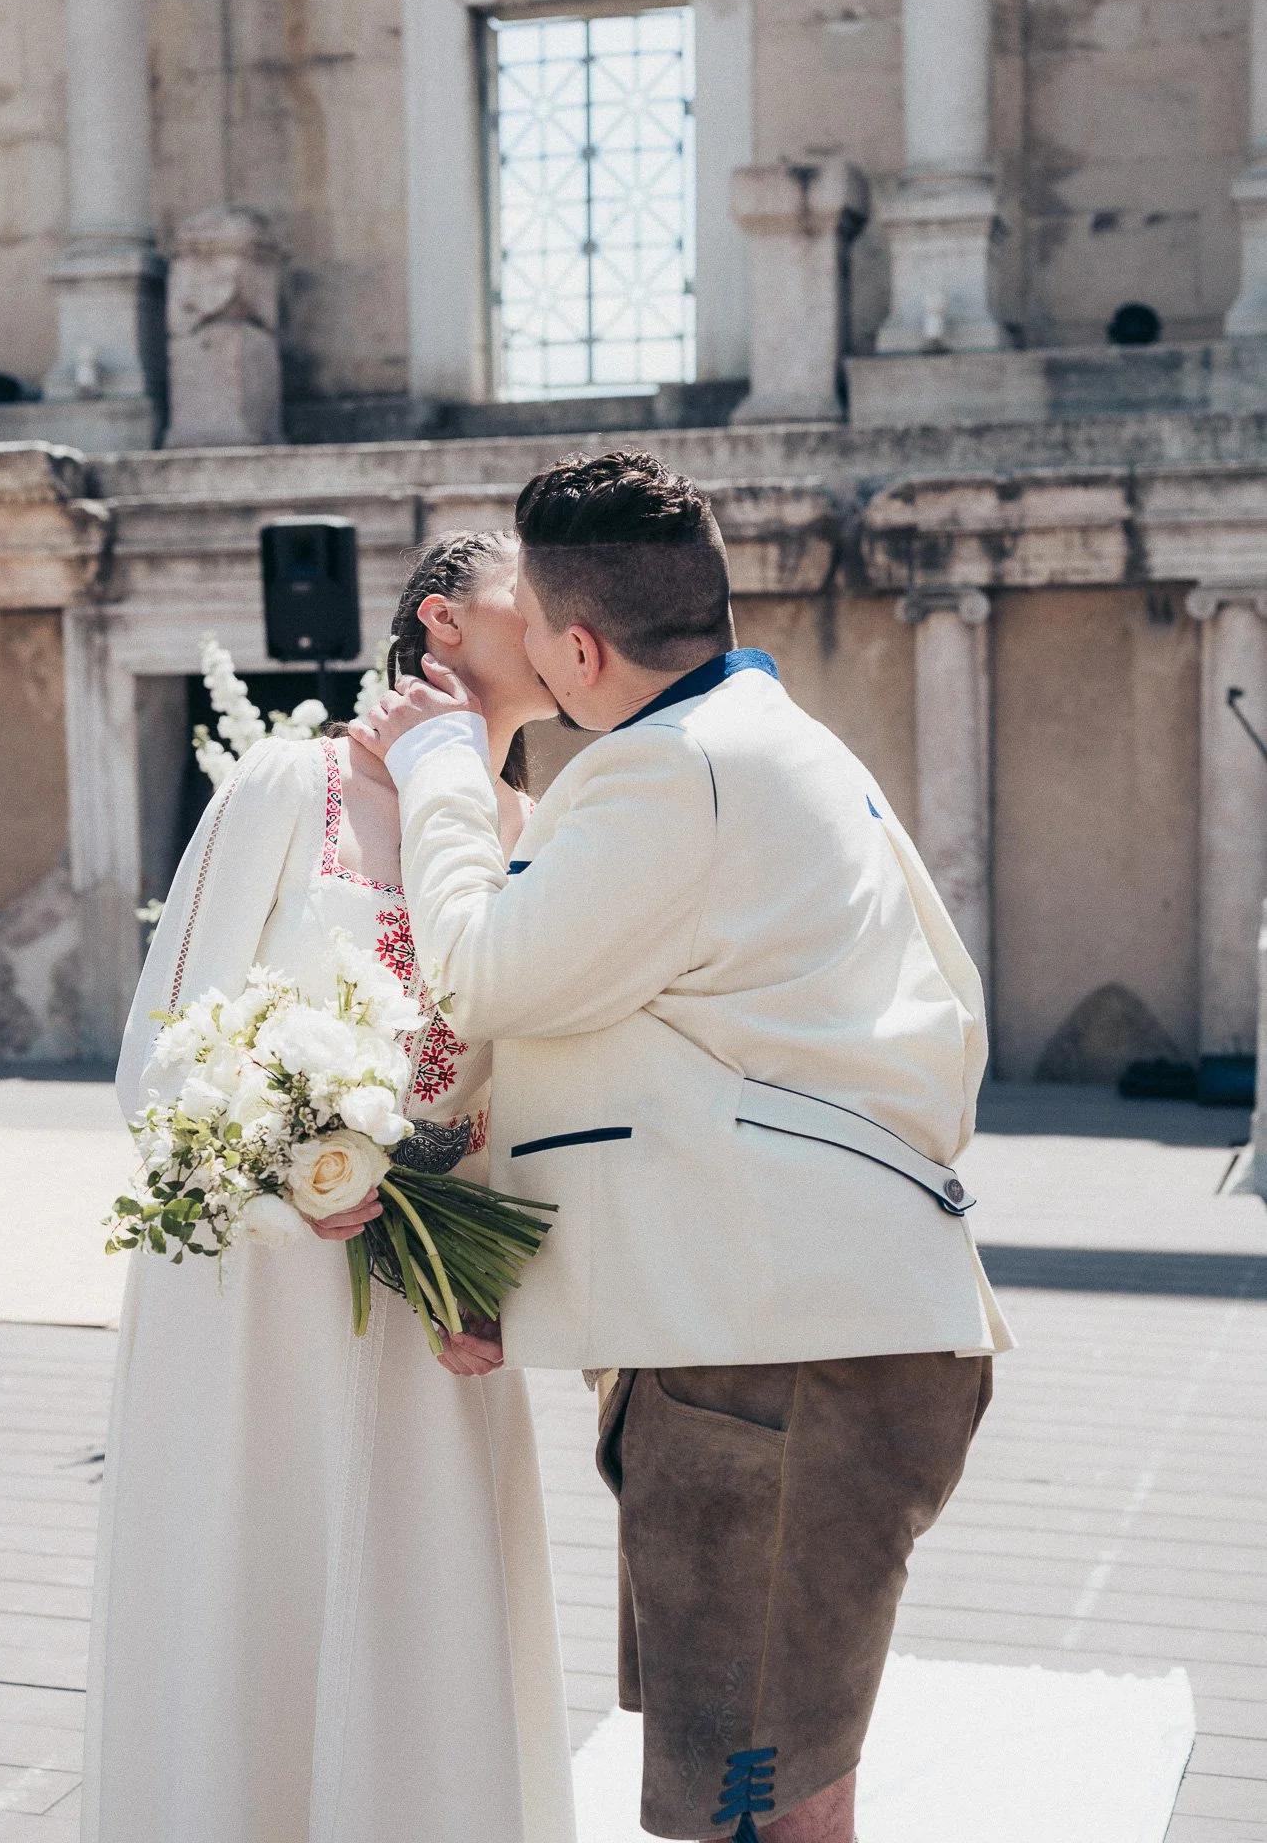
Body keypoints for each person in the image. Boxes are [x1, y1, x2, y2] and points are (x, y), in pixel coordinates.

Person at [351, 450, 1015, 1843]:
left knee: (757, 1809)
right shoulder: (769, 740)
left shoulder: (672, 777)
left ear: (581, 649)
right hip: (781, 1345)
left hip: (775, 1362)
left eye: (533, 629)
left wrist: (441, 773)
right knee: (758, 1785)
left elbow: (482, 974)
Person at [84, 531, 577, 1843]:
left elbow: (517, 1088)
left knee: (420, 1605)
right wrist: (281, 1180)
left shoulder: (531, 832)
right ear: (443, 619)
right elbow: (159, 1049)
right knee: (252, 1587)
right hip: (251, 1303)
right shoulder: (285, 787)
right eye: (528, 590)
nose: (562, 610)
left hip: (429, 1302)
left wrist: (499, 1278)